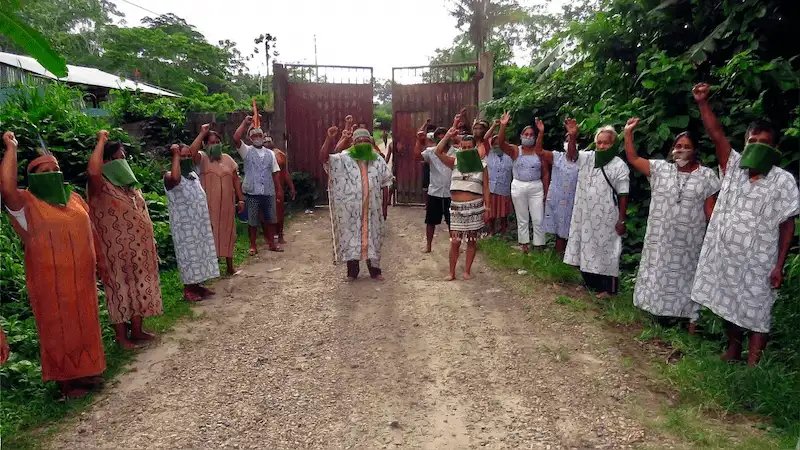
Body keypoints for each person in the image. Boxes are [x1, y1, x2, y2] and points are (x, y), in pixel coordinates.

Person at [691, 83, 799, 365]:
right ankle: (733, 351)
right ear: (745, 142)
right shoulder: (733, 166)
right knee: (730, 304)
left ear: (775, 148)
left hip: (760, 261)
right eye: (753, 142)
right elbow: (716, 134)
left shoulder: (784, 181)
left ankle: (752, 366)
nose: (757, 147)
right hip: (727, 256)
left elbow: (787, 225)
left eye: (764, 143)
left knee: (759, 308)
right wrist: (703, 103)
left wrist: (779, 264)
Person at [1, 131, 106, 398]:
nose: (51, 173)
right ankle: (66, 381)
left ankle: (85, 371)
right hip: (51, 284)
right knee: (58, 327)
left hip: (82, 280)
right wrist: (11, 148)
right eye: (42, 171)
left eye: (55, 169)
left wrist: (102, 262)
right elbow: (6, 188)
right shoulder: (26, 202)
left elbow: (91, 232)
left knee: (84, 322)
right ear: (32, 178)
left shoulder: (74, 199)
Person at [624, 118, 720, 333]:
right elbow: (633, 157)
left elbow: (710, 210)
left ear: (695, 151)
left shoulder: (706, 176)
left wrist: (717, 234)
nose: (682, 150)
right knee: (659, 270)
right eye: (678, 146)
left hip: (689, 242)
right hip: (660, 238)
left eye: (687, 147)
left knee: (686, 276)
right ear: (672, 150)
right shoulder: (660, 169)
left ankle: (687, 319)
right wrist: (628, 132)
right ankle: (656, 314)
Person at [88, 130, 163, 349]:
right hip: (114, 251)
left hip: (140, 249)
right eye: (118, 158)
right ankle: (121, 337)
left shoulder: (130, 186)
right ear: (107, 161)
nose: (123, 162)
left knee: (139, 287)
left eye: (124, 158)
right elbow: (92, 171)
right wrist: (101, 140)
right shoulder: (100, 185)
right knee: (119, 290)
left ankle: (137, 330)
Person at [562, 119, 629, 297]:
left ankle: (608, 289)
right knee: (587, 247)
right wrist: (573, 136)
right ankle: (589, 284)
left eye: (606, 142)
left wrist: (622, 219)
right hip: (585, 214)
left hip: (607, 216)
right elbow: (571, 156)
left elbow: (623, 194)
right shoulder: (588, 157)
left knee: (607, 249)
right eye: (599, 142)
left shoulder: (619, 165)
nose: (601, 146)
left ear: (613, 144)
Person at [320, 126, 393, 281]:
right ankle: (352, 272)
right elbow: (324, 158)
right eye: (358, 140)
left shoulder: (377, 159)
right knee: (351, 237)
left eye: (365, 140)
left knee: (373, 237)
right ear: (353, 143)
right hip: (350, 211)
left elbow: (385, 185)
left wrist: (385, 208)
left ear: (371, 142)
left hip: (373, 209)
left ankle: (375, 271)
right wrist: (328, 138)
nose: (362, 143)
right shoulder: (344, 158)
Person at [435, 115, 490, 281]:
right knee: (455, 241)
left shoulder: (483, 165)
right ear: (460, 148)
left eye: (469, 147)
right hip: (457, 207)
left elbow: (486, 188)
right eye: (463, 147)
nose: (466, 150)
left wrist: (487, 207)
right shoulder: (455, 162)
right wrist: (447, 135)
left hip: (475, 206)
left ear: (475, 149)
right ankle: (451, 272)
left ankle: (467, 271)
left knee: (472, 241)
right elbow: (438, 152)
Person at [164, 143, 220, 302]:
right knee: (189, 257)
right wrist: (175, 155)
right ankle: (188, 288)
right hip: (185, 227)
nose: (187, 159)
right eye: (183, 156)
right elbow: (175, 178)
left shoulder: (193, 175)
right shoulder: (170, 176)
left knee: (201, 254)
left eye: (189, 156)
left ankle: (198, 285)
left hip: (199, 224)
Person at [188, 124, 245, 275]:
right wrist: (201, 134)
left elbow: (236, 181)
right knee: (209, 235)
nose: (215, 145)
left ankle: (230, 267)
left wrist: (241, 200)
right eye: (211, 142)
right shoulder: (202, 158)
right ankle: (209, 270)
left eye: (217, 142)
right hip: (208, 206)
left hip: (227, 206)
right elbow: (190, 153)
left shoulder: (228, 159)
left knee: (228, 233)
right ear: (205, 145)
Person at [497, 112, 550, 253]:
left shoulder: (539, 152)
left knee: (538, 218)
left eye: (531, 134)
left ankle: (539, 246)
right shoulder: (516, 150)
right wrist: (503, 126)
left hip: (536, 186)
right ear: (521, 136)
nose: (528, 137)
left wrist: (546, 191)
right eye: (526, 134)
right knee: (522, 218)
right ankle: (524, 245)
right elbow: (501, 144)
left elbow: (545, 173)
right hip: (519, 185)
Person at [232, 116, 283, 255]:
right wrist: (244, 123)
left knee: (271, 219)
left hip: (268, 190)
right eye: (254, 135)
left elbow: (276, 171)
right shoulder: (246, 151)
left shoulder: (270, 154)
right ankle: (253, 245)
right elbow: (236, 139)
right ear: (249, 138)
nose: (257, 137)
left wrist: (278, 190)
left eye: (260, 135)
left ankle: (272, 243)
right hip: (252, 191)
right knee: (252, 220)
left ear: (263, 136)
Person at [540, 132, 580, 253]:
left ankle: (571, 256)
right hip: (558, 198)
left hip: (575, 198)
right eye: (567, 140)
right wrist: (541, 132)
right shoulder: (557, 157)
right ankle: (558, 256)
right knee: (559, 229)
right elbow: (539, 152)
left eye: (572, 140)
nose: (569, 143)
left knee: (573, 228)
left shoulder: (583, 160)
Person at [415, 123, 451, 253]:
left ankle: (455, 245)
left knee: (452, 222)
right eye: (440, 138)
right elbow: (417, 156)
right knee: (430, 221)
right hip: (434, 191)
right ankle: (428, 245)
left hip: (450, 192)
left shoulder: (456, 152)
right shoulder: (430, 152)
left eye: (445, 137)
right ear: (436, 139)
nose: (443, 140)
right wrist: (418, 141)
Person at [264, 136, 296, 244]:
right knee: (266, 213)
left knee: (279, 213)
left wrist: (291, 187)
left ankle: (280, 234)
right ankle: (269, 236)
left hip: (278, 189)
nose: (267, 141)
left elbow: (285, 173)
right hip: (265, 189)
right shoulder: (260, 156)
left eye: (269, 140)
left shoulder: (280, 155)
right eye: (265, 140)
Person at [484, 121, 513, 235]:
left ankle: (504, 231)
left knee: (503, 212)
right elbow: (485, 138)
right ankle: (491, 231)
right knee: (491, 212)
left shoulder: (509, 155)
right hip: (491, 188)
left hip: (504, 187)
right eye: (494, 143)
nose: (497, 145)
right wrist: (494, 126)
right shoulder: (490, 153)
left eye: (498, 143)